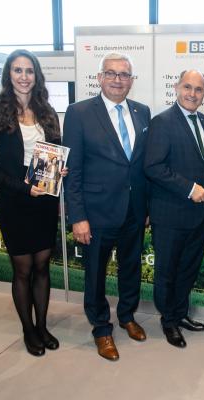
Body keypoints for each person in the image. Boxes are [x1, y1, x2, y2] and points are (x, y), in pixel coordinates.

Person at [0, 49, 65, 357]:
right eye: (18, 70)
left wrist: (58, 169)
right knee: (23, 269)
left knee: (42, 266)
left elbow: (54, 151)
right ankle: (28, 330)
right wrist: (21, 188)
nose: (24, 76)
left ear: (37, 75)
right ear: (8, 75)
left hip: (45, 202)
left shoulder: (48, 110)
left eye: (29, 71)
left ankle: (42, 326)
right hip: (15, 201)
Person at [63, 53, 151, 361]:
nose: (118, 79)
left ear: (131, 80)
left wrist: (147, 207)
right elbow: (72, 170)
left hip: (134, 211)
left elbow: (142, 166)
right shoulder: (79, 113)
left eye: (124, 75)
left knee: (131, 268)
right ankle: (101, 329)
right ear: (99, 78)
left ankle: (127, 315)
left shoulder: (142, 112)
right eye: (111, 74)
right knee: (96, 275)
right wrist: (78, 217)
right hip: (96, 212)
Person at [144, 70, 204, 348]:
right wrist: (189, 188)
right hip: (170, 214)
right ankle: (168, 321)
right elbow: (153, 167)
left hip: (198, 217)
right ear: (176, 87)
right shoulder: (162, 122)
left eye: (198, 89)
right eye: (187, 87)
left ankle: (181, 314)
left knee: (188, 270)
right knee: (167, 271)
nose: (192, 94)